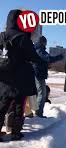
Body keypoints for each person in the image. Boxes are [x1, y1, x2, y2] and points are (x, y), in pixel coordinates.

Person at [0, 9, 42, 141]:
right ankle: (16, 132)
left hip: (4, 78)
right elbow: (33, 57)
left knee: (2, 105)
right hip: (21, 78)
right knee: (19, 105)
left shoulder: (1, 35)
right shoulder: (23, 37)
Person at [33, 36, 64, 118]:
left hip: (39, 73)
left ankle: (36, 112)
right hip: (38, 74)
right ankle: (38, 113)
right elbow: (48, 58)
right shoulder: (40, 50)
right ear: (43, 42)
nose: (46, 44)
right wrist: (59, 57)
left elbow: (41, 61)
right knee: (42, 94)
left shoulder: (38, 49)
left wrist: (45, 66)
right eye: (45, 42)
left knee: (37, 93)